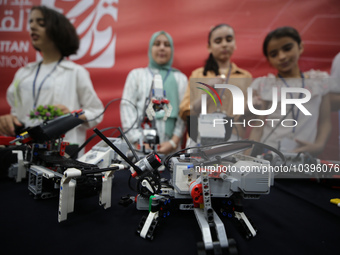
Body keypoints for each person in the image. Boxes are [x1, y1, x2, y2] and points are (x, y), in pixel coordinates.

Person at [0, 5, 104, 154]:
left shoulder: (76, 72)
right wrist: (9, 120)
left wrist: (72, 116)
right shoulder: (23, 73)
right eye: (31, 22)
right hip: (24, 149)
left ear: (58, 29)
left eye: (40, 23)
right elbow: (17, 112)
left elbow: (97, 111)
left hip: (62, 152)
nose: (33, 27)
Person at [249, 26, 331, 156]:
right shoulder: (265, 85)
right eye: (274, 54)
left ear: (300, 47)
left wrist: (319, 146)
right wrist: (248, 157)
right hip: (269, 152)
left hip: (304, 154)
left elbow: (325, 121)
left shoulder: (319, 81)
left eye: (287, 48)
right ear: (269, 60)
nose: (281, 56)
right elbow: (258, 127)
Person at [179, 23, 252, 142]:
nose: (224, 44)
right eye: (218, 41)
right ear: (209, 47)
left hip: (231, 138)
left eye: (229, 40)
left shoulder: (245, 77)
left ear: (235, 44)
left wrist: (253, 109)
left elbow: (247, 119)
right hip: (199, 137)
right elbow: (185, 113)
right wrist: (207, 94)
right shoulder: (197, 75)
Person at [120, 31, 188, 155]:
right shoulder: (136, 75)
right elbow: (127, 108)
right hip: (139, 149)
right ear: (150, 48)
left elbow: (183, 112)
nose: (162, 47)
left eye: (167, 45)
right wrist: (137, 139)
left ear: (171, 50)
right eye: (157, 44)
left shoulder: (180, 78)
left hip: (170, 150)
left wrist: (173, 142)